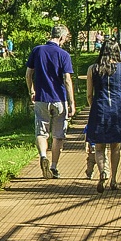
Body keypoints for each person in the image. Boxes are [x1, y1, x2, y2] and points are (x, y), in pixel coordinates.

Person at [24, 26, 76, 179]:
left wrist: (31, 90)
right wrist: (71, 102)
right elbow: (67, 79)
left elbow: (28, 74)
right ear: (62, 37)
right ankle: (53, 167)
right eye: (66, 39)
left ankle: (42, 156)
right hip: (59, 99)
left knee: (41, 132)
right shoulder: (64, 55)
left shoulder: (37, 50)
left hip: (41, 99)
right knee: (58, 136)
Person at [83, 41, 121, 190]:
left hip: (99, 107)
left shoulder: (92, 69)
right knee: (115, 147)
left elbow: (89, 95)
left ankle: (103, 171)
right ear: (117, 52)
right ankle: (114, 179)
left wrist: (94, 108)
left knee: (99, 147)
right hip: (117, 108)